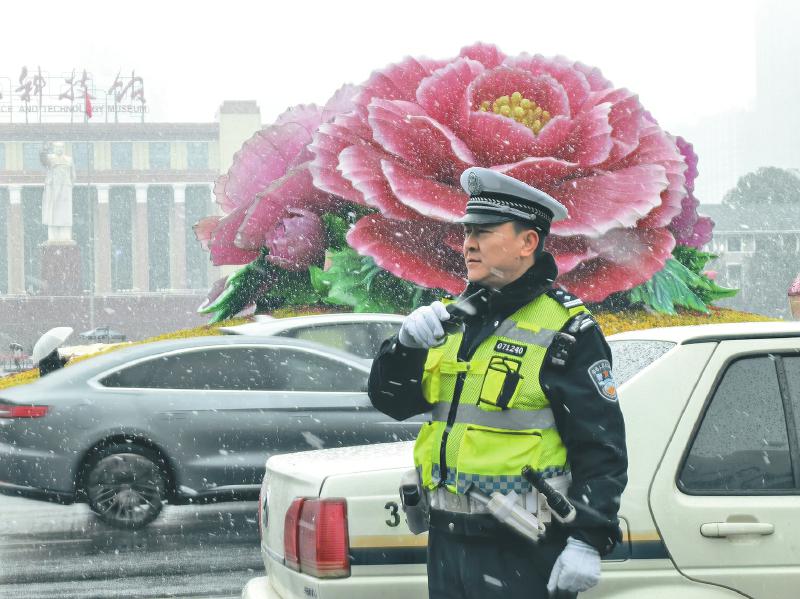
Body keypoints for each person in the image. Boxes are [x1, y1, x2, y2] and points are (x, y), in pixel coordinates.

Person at [368, 167, 628, 598]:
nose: (469, 243)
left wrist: (588, 538)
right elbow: (392, 402)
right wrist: (403, 347)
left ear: (528, 242)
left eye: (485, 232)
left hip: (524, 547)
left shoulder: (568, 330)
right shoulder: (451, 319)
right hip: (448, 542)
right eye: (468, 231)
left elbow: (601, 448)